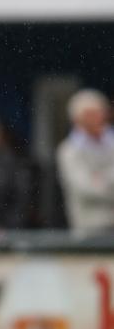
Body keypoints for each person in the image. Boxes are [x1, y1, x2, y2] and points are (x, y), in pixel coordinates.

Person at [56, 89, 114, 234]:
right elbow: (86, 189)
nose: (97, 118)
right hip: (90, 228)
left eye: (100, 112)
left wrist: (101, 179)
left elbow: (97, 185)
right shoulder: (68, 151)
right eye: (90, 114)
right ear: (77, 119)